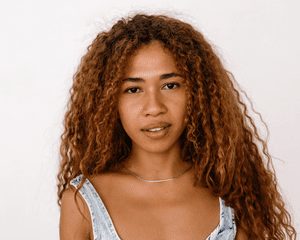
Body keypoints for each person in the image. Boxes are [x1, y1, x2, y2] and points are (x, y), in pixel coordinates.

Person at [57, 13, 297, 240]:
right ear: (109, 102)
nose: (154, 107)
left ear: (197, 93)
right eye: (133, 89)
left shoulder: (232, 194)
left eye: (170, 85)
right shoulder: (82, 202)